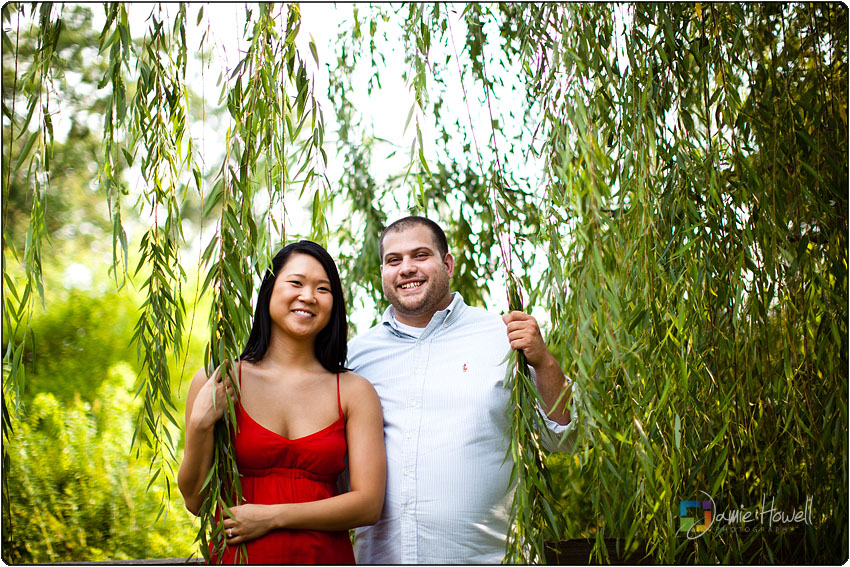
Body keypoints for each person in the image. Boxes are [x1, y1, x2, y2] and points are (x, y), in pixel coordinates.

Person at [347, 216, 577, 564]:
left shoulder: (503, 338)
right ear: (383, 272)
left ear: (448, 264)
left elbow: (564, 438)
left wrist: (544, 362)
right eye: (394, 260)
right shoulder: (356, 357)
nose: (406, 268)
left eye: (420, 255)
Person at [178, 240, 386, 564]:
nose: (308, 296)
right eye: (296, 282)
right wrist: (199, 425)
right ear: (269, 291)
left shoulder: (354, 391)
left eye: (323, 289)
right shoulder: (219, 380)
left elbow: (368, 505)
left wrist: (272, 517)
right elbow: (195, 501)